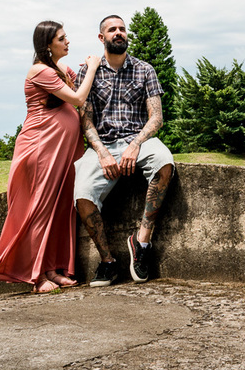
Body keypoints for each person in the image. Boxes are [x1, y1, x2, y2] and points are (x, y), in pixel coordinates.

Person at [0, 21, 102, 294]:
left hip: (61, 151)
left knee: (60, 208)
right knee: (40, 209)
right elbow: (77, 98)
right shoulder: (39, 71)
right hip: (41, 149)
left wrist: (94, 65)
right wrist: (94, 66)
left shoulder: (60, 69)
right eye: (62, 38)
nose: (67, 42)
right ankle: (36, 277)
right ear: (47, 44)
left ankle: (51, 268)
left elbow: (83, 80)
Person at [74, 14, 175, 286]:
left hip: (137, 140)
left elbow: (156, 117)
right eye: (112, 29)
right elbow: (86, 121)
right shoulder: (89, 71)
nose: (118, 33)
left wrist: (135, 144)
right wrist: (102, 152)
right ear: (101, 37)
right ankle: (107, 262)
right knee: (82, 193)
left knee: (165, 162)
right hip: (102, 145)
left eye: (122, 28)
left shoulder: (145, 69)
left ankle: (141, 243)